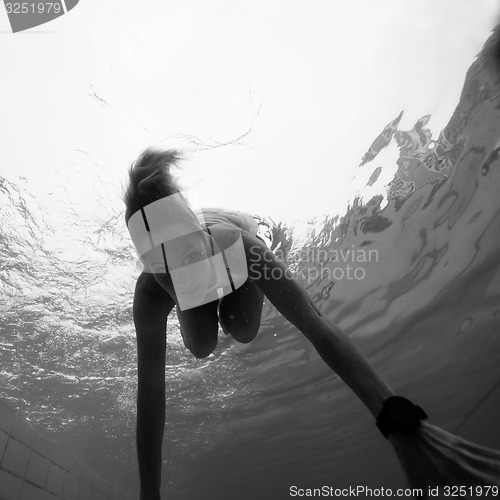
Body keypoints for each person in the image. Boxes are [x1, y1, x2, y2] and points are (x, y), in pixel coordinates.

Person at [124, 149, 500, 500]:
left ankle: (242, 292)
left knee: (242, 329)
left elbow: (314, 322)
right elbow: (151, 393)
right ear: (149, 265)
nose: (186, 280)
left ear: (200, 237)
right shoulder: (150, 294)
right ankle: (208, 295)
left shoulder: (242, 247)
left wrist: (400, 422)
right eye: (166, 270)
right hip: (205, 252)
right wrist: (149, 493)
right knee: (201, 346)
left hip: (239, 254)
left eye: (188, 257)